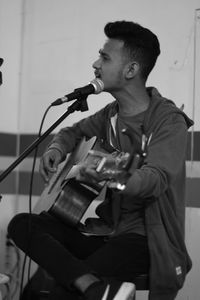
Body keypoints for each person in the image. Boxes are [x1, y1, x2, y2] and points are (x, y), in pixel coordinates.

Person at [7, 21, 193, 300]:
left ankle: (87, 287)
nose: (95, 64)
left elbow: (153, 180)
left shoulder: (169, 122)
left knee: (55, 290)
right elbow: (73, 132)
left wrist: (95, 168)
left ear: (131, 70)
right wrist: (56, 149)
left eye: (105, 57)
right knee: (23, 225)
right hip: (107, 235)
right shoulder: (110, 114)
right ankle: (96, 289)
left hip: (147, 244)